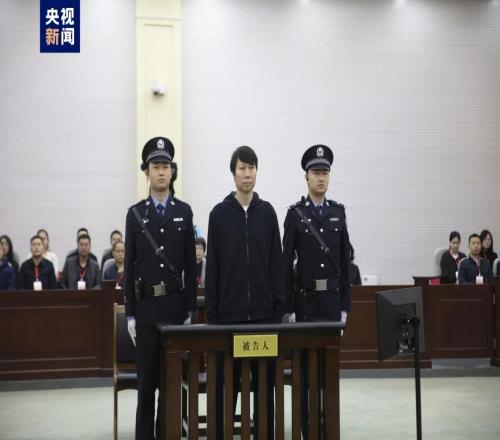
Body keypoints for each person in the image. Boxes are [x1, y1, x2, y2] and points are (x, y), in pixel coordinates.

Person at [205, 145, 284, 439]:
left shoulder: (267, 213)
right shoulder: (219, 214)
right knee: (228, 387)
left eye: (251, 168)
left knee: (265, 387)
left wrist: (278, 310)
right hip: (230, 319)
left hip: (264, 319)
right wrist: (213, 315)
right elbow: (213, 267)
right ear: (233, 173)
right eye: (242, 168)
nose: (247, 174)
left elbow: (276, 263)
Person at [125, 137, 196, 440]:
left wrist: (190, 308)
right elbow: (130, 266)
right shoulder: (135, 214)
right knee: (146, 387)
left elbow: (191, 266)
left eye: (166, 165)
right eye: (156, 166)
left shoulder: (184, 211)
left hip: (174, 309)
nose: (162, 171)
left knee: (170, 384)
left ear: (172, 170)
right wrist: (130, 313)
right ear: (147, 172)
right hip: (145, 311)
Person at [282, 144, 351, 440]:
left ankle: (327, 430)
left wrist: (345, 307)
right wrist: (289, 309)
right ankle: (305, 429)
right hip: (306, 305)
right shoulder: (295, 215)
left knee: (328, 373)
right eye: (316, 172)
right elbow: (285, 265)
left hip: (331, 304)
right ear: (306, 177)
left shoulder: (338, 213)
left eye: (325, 173)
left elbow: (345, 265)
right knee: (304, 375)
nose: (321, 178)